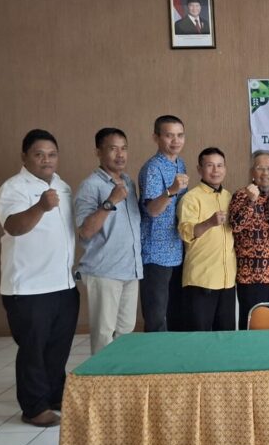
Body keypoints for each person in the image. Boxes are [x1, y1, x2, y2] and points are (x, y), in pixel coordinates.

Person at [0, 129, 78, 428]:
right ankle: (33, 407)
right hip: (28, 287)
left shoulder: (62, 186)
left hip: (63, 284)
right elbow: (14, 227)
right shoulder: (13, 188)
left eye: (52, 154)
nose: (46, 160)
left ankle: (55, 395)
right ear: (24, 157)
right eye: (39, 154)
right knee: (33, 349)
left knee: (58, 347)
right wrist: (40, 206)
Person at [74, 127, 143, 354]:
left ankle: (120, 373)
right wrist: (110, 202)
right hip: (104, 271)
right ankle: (101, 375)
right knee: (104, 334)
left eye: (124, 148)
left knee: (126, 332)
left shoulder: (128, 182)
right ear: (98, 152)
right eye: (113, 149)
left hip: (130, 270)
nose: (120, 154)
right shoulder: (90, 185)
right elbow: (85, 231)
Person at [229, 150, 269, 330]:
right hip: (252, 275)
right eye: (260, 168)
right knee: (253, 325)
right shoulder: (241, 195)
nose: (266, 173)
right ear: (252, 172)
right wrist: (251, 201)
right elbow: (235, 226)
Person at [138, 115, 188, 332]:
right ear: (156, 138)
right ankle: (154, 354)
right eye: (169, 135)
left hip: (176, 249)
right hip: (155, 253)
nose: (175, 141)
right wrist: (172, 190)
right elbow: (153, 210)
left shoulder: (180, 164)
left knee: (176, 313)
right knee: (156, 317)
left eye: (180, 135)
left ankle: (173, 353)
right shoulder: (152, 168)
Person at [178, 147, 236, 331]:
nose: (215, 170)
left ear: (225, 168)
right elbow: (186, 233)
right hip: (201, 279)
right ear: (199, 169)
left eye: (220, 165)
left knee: (226, 336)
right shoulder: (191, 198)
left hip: (227, 280)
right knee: (199, 338)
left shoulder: (230, 197)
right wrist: (209, 222)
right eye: (210, 165)